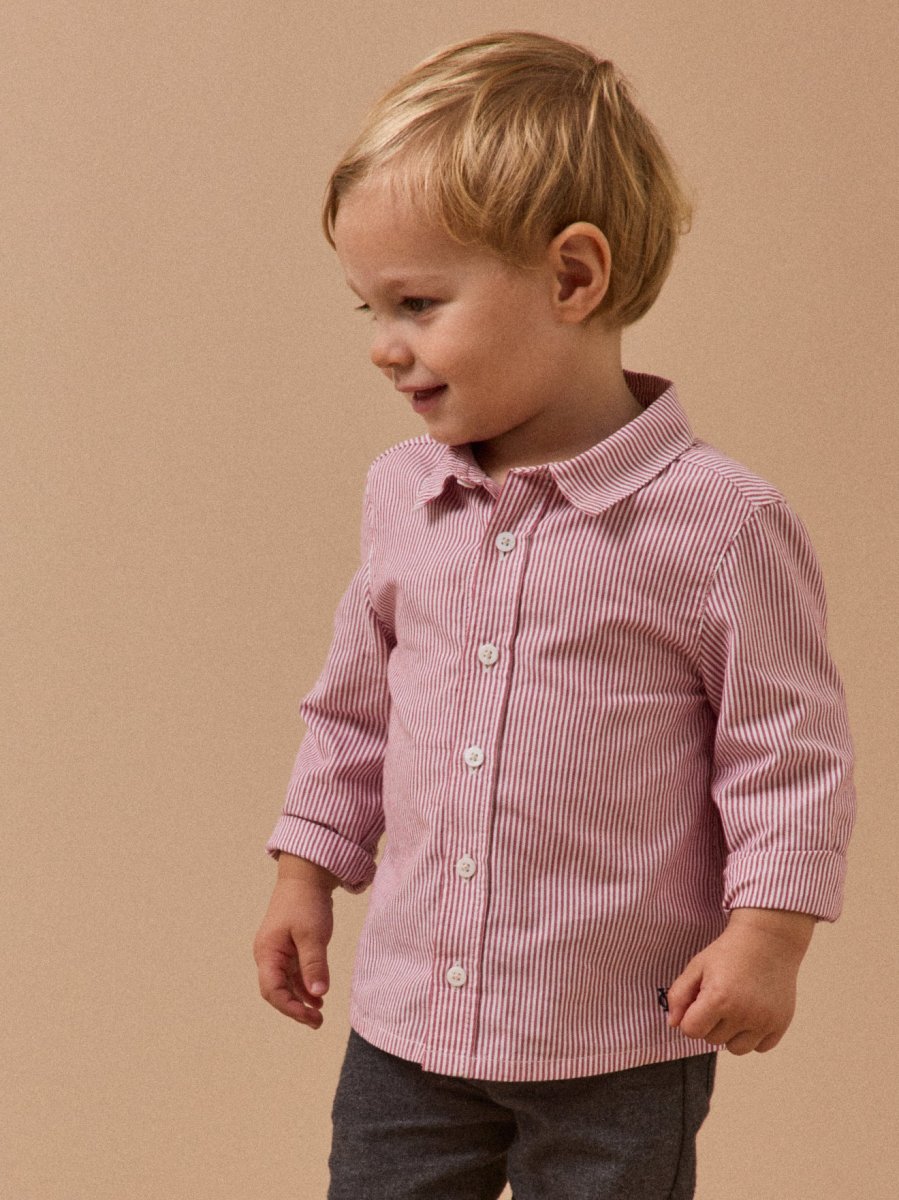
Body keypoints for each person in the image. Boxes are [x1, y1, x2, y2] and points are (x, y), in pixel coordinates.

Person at [253, 30, 857, 1199]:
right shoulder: (401, 496)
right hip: (408, 1026)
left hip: (618, 1036)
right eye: (368, 307)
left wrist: (767, 936)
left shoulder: (720, 523)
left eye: (416, 302)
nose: (382, 346)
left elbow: (786, 753)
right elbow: (352, 711)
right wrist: (302, 873)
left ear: (572, 279)